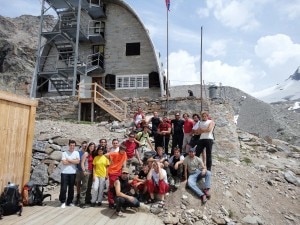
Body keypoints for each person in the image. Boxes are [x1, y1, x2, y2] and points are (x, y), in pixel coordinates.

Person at [105, 144, 127, 209]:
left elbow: (124, 161)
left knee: (118, 187)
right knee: (111, 187)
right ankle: (111, 202)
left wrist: (124, 169)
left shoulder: (124, 153)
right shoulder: (115, 154)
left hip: (119, 172)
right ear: (120, 149)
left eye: (124, 150)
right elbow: (105, 155)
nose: (123, 152)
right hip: (112, 172)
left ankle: (116, 201)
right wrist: (110, 160)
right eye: (122, 150)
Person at [59, 139, 80, 208]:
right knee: (64, 188)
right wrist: (73, 161)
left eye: (73, 145)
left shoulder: (76, 153)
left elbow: (78, 162)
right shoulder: (64, 153)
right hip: (64, 172)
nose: (72, 147)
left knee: (71, 188)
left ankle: (69, 201)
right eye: (71, 145)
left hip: (73, 172)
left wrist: (69, 160)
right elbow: (64, 162)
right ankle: (62, 201)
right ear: (69, 145)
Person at [79, 142, 96, 208]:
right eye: (91, 146)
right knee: (84, 186)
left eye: (93, 147)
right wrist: (84, 171)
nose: (92, 147)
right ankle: (82, 202)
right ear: (88, 147)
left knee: (89, 187)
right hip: (86, 171)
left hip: (92, 172)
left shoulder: (93, 154)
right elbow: (82, 163)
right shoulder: (86, 153)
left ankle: (87, 199)